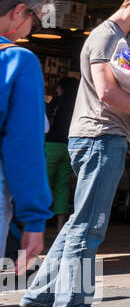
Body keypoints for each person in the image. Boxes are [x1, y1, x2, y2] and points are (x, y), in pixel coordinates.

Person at [22, 0, 130, 307]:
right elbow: (106, 92)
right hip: (100, 139)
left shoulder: (119, 39)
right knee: (92, 225)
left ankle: (42, 292)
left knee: (80, 218)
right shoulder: (108, 37)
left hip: (97, 137)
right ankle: (72, 306)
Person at [0, 0, 55, 282]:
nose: (30, 30)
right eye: (34, 19)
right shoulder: (18, 60)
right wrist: (34, 220)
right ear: (19, 10)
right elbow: (23, 146)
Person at [44, 76, 81, 231]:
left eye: (59, 87)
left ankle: (38, 225)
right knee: (63, 186)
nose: (57, 90)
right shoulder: (79, 105)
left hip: (52, 145)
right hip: (69, 147)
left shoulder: (56, 102)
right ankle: (60, 226)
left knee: (44, 183)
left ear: (63, 88)